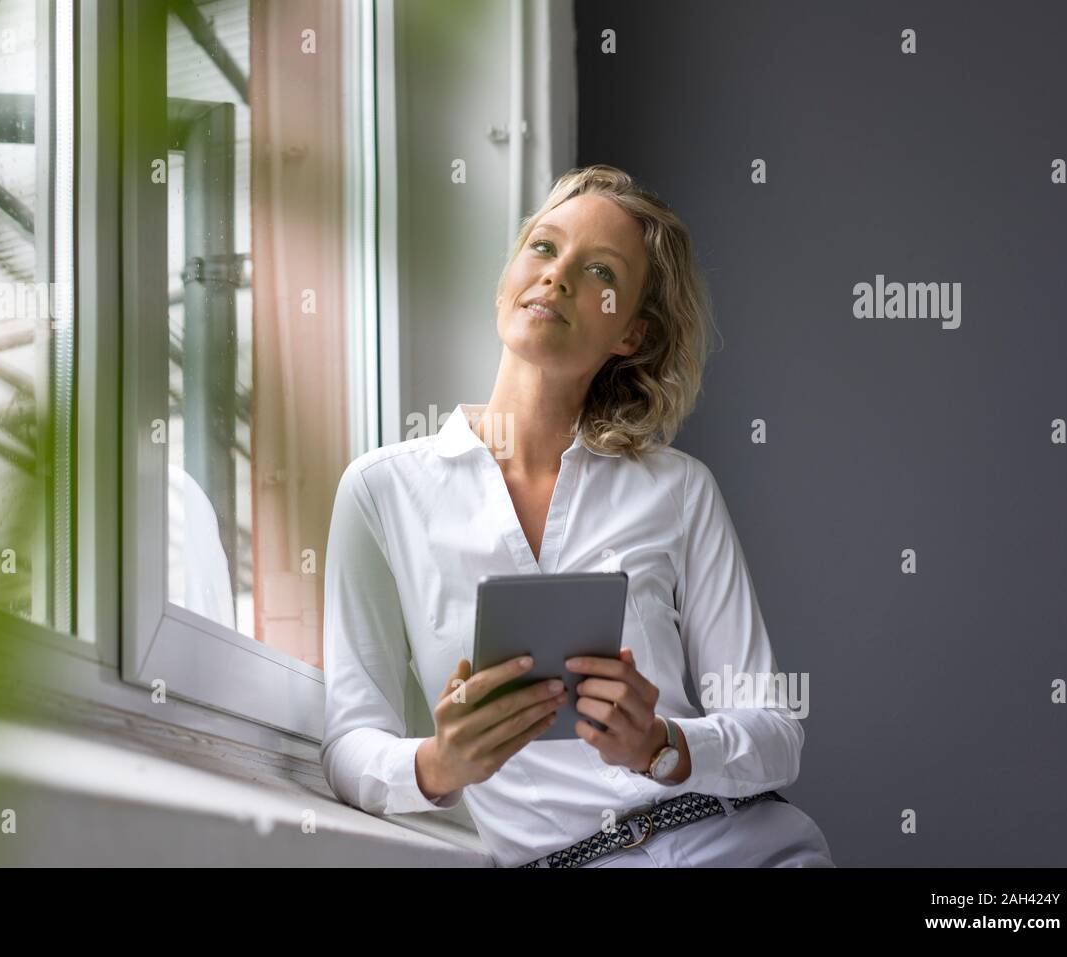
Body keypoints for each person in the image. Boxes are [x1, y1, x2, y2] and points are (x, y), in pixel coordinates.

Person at [320, 164, 834, 868]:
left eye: (598, 271)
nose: (557, 276)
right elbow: (349, 741)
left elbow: (777, 733)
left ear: (630, 331)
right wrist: (442, 761)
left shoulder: (677, 490)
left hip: (739, 845)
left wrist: (662, 745)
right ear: (504, 280)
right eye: (543, 247)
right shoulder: (380, 492)